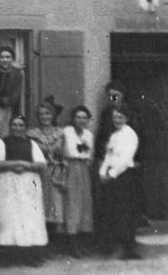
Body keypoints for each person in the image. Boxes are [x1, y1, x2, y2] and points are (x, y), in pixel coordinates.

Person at [0, 114, 47, 266]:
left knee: (27, 218)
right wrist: (17, 163)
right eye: (15, 124)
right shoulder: (1, 142)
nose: (18, 128)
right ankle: (8, 256)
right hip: (7, 184)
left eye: (21, 125)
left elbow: (41, 164)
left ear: (25, 128)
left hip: (28, 185)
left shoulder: (31, 143)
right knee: (8, 218)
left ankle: (27, 255)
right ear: (10, 126)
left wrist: (25, 165)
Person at [98, 106, 143, 261]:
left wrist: (111, 174)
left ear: (126, 118)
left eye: (120, 117)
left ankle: (127, 249)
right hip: (113, 177)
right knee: (113, 211)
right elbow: (108, 156)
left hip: (124, 177)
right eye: (115, 117)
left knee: (125, 212)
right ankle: (114, 246)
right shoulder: (114, 135)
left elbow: (125, 159)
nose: (117, 120)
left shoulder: (130, 135)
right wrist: (102, 172)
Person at [25, 98, 66, 245]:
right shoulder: (32, 134)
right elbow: (33, 152)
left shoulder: (60, 133)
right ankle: (42, 243)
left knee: (55, 206)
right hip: (39, 172)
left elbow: (60, 152)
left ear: (53, 115)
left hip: (56, 172)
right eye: (41, 114)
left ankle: (55, 243)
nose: (45, 117)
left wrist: (50, 149)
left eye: (48, 114)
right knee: (40, 205)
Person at [61, 106, 94, 257]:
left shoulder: (88, 134)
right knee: (72, 205)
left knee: (85, 205)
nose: (81, 120)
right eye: (78, 117)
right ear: (73, 119)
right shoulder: (66, 132)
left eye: (84, 118)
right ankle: (72, 245)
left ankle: (82, 243)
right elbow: (58, 151)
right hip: (70, 168)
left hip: (84, 169)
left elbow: (89, 154)